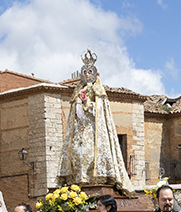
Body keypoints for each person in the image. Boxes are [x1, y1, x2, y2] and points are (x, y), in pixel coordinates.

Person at [57, 51, 134, 193]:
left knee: (92, 152)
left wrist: (90, 105)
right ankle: (78, 179)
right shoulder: (78, 90)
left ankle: (96, 179)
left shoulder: (99, 89)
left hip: (94, 129)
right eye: (84, 72)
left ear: (95, 74)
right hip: (80, 129)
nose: (87, 75)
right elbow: (73, 112)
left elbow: (102, 108)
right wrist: (77, 103)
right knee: (77, 151)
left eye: (90, 72)